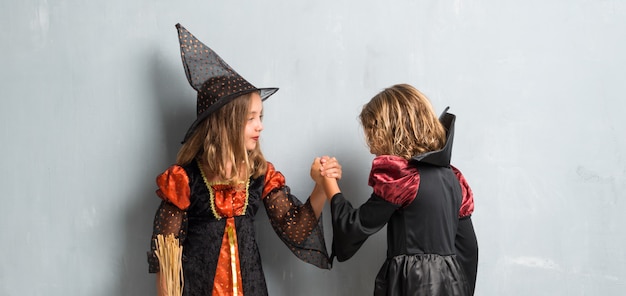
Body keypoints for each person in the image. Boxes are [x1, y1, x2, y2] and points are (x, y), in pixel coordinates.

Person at [147, 23, 341, 296]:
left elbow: (296, 229)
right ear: (224, 125)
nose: (260, 126)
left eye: (260, 117)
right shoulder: (183, 180)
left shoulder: (259, 175)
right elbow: (165, 255)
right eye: (250, 119)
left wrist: (321, 186)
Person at [313, 84, 478, 295]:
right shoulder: (454, 178)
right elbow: (468, 249)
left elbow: (355, 227)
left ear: (389, 131)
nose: (371, 147)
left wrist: (330, 184)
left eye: (372, 135)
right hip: (452, 286)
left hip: (412, 284)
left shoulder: (403, 178)